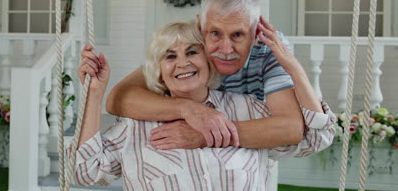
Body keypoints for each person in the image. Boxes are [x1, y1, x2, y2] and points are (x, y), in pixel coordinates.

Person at [70, 21, 335, 190]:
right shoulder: (135, 125)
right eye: (170, 56)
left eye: (192, 52)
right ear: (158, 71)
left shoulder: (247, 110)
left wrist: (292, 66)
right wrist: (94, 94)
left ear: (210, 62)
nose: (182, 63)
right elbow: (84, 172)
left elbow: (317, 136)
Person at [79, 0, 319, 149]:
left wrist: (205, 134)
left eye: (237, 35)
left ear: (256, 34)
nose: (225, 49)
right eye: (214, 33)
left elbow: (290, 128)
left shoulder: (270, 48)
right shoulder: (188, 45)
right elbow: (118, 100)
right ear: (200, 26)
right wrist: (188, 109)